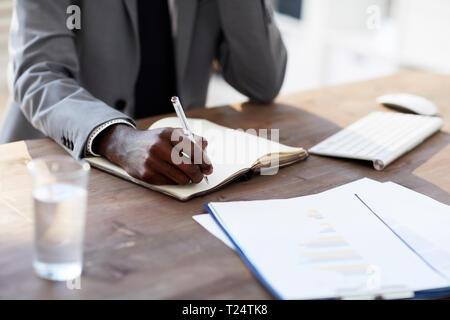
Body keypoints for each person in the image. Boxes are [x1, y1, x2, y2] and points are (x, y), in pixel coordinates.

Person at [0, 0, 287, 185]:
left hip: (175, 183)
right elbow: (39, 73)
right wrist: (117, 139)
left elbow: (262, 82)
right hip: (54, 175)